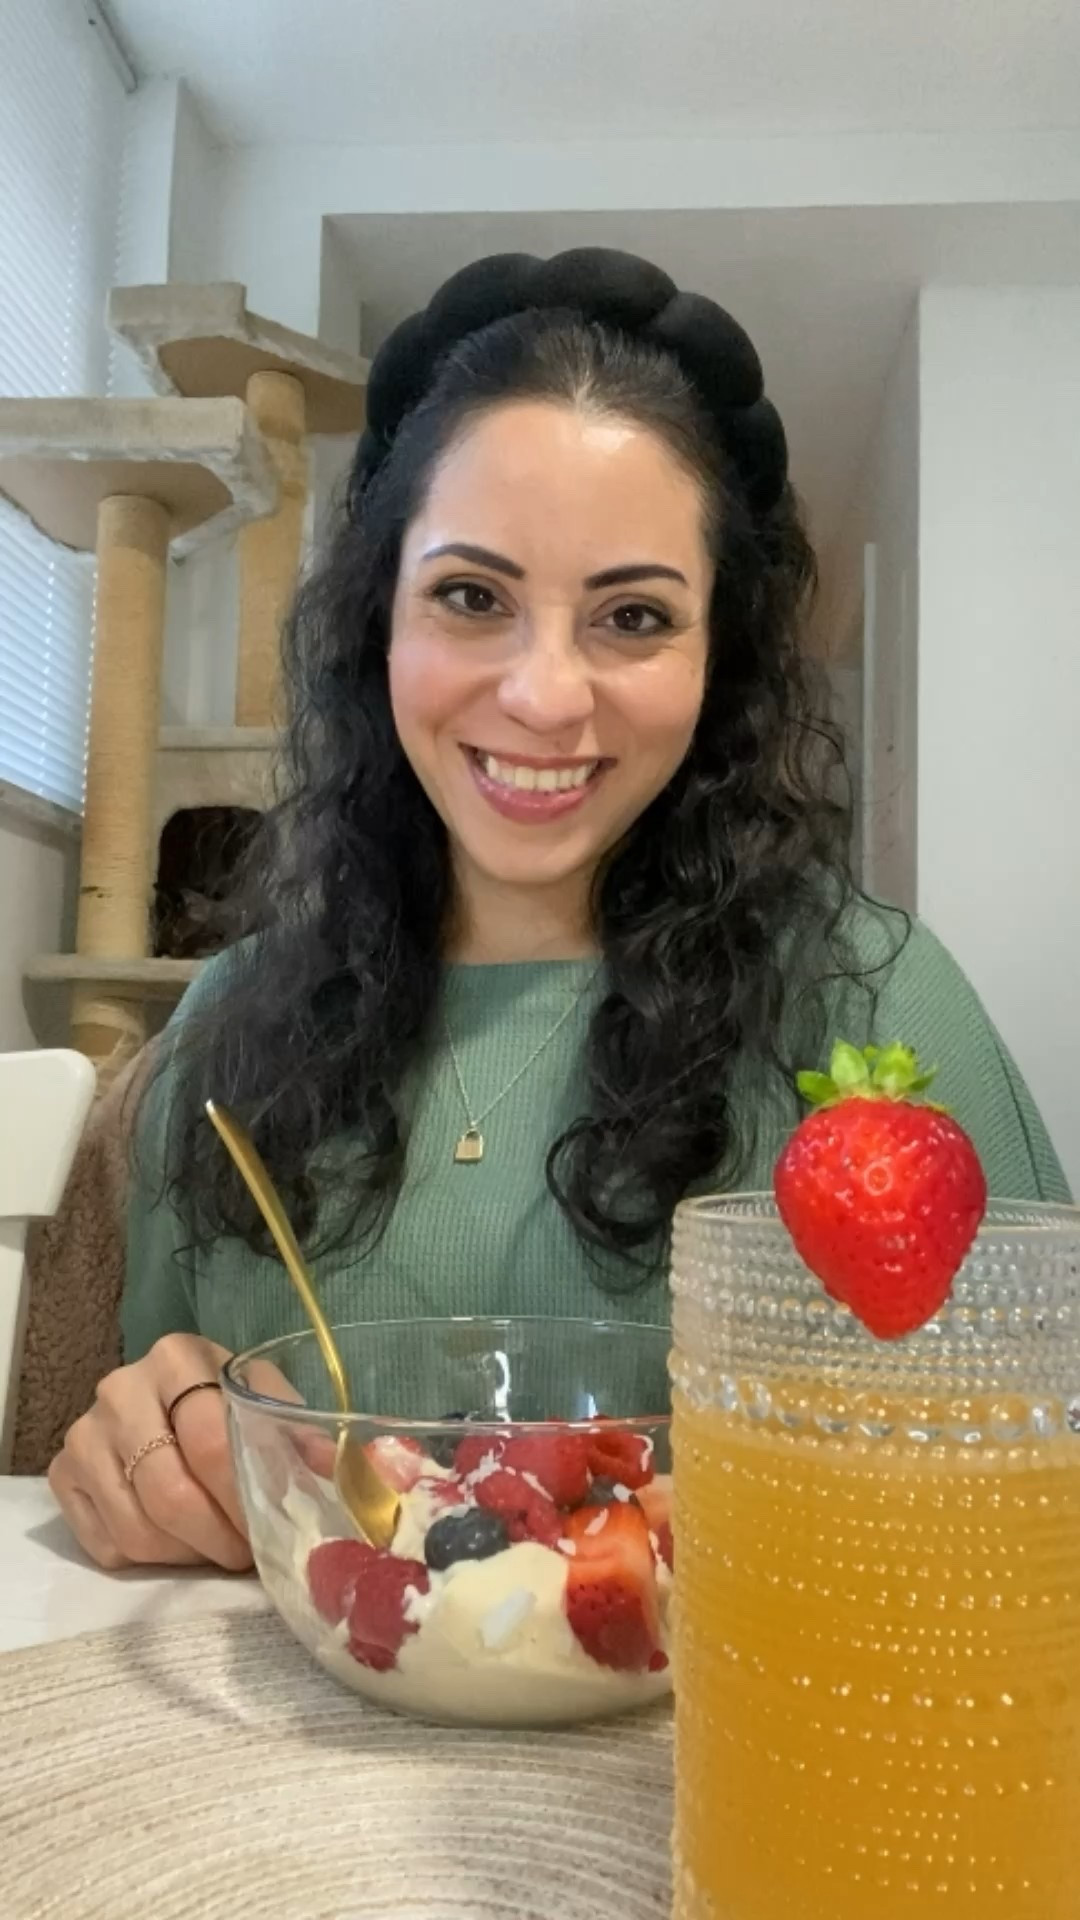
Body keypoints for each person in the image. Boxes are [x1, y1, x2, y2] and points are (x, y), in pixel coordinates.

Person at [48, 248, 1069, 1573]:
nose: (543, 697)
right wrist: (152, 1441)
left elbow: (1033, 1488)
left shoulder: (872, 997)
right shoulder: (227, 1025)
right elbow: (165, 1432)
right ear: (381, 622)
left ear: (722, 664)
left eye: (632, 616)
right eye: (472, 597)